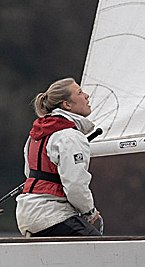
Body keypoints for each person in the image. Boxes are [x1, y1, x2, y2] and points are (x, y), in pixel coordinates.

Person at [16, 78, 102, 237]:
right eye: (80, 92)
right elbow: (75, 184)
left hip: (27, 215)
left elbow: (29, 173)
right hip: (53, 216)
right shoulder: (71, 137)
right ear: (67, 105)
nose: (87, 96)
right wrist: (89, 211)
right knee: (102, 252)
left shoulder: (34, 136)